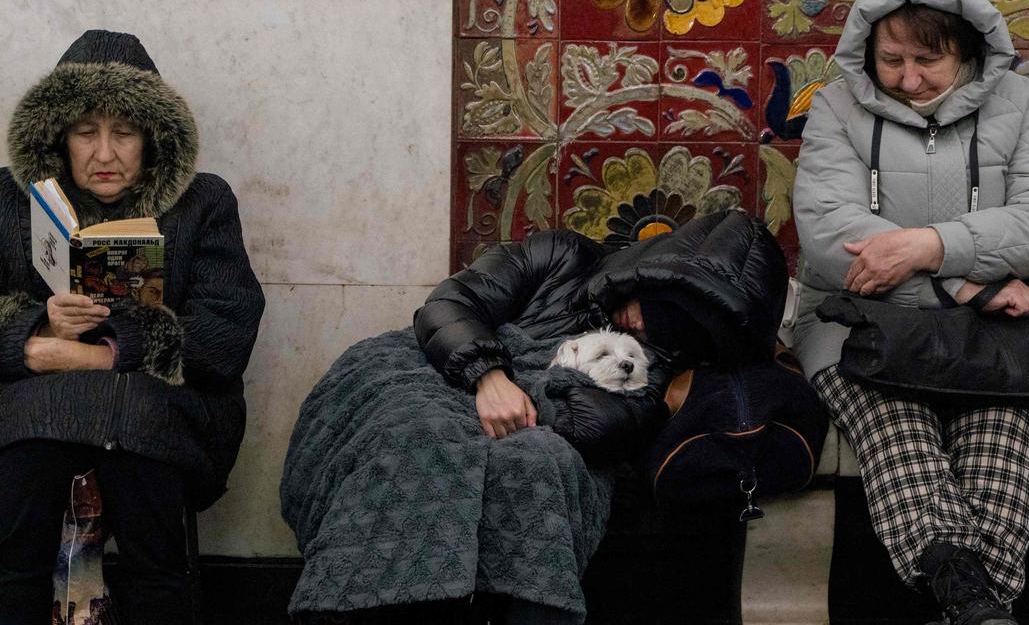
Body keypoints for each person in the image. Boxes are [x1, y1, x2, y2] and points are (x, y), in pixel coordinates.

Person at [281, 209, 787, 624]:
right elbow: (450, 304)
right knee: (412, 436)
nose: (644, 324)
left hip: (533, 411)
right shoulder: (559, 255)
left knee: (537, 464)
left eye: (675, 326)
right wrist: (490, 376)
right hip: (436, 363)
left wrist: (547, 390)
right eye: (655, 305)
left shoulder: (656, 358)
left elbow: (604, 427)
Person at [790, 0, 1029, 625]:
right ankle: (976, 607)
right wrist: (966, 282)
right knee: (900, 437)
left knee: (1000, 445)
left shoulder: (1020, 102)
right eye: (891, 59)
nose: (908, 78)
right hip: (856, 327)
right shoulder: (834, 106)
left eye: (928, 60)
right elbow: (833, 239)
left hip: (993, 336)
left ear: (969, 52)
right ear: (868, 48)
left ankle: (968, 605)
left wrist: (927, 248)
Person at [0, 30, 265, 624]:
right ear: (58, 137)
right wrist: (36, 336)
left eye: (123, 132)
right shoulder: (7, 201)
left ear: (151, 139)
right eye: (86, 132)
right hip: (28, 409)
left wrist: (106, 354)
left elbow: (229, 332)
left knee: (143, 463)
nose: (104, 154)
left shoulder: (203, 201)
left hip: (155, 414)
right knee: (21, 481)